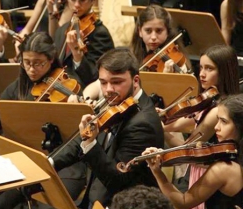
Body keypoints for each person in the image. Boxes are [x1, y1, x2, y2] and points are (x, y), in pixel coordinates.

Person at [0, 32, 87, 208]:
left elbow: (81, 134)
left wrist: (76, 106)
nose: (32, 69)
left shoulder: (67, 84)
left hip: (63, 166)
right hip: (23, 163)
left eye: (39, 63)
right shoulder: (17, 87)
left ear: (52, 59)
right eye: (27, 63)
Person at [51, 48, 164, 207]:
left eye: (116, 82)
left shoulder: (142, 123)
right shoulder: (114, 100)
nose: (108, 90)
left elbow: (119, 180)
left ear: (136, 80)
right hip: (96, 197)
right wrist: (50, 162)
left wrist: (90, 144)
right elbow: (80, 140)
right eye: (103, 82)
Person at [162, 44, 240, 209]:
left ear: (224, 72)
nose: (202, 74)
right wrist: (163, 118)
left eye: (209, 69)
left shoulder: (218, 111)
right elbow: (181, 122)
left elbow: (184, 149)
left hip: (207, 173)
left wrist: (159, 130)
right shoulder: (209, 100)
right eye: (201, 67)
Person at [143, 93, 243, 209]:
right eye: (218, 120)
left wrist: (157, 172)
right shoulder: (231, 160)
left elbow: (183, 202)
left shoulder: (223, 169)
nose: (216, 127)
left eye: (224, 121)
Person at [48, 0, 114, 88]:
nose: (77, 5)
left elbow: (98, 78)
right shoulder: (62, 30)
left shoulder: (100, 33)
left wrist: (78, 56)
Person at [130, 4, 191, 73]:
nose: (153, 37)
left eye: (159, 31)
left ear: (167, 31)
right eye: (148, 31)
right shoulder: (131, 59)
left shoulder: (176, 60)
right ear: (140, 31)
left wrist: (166, 78)